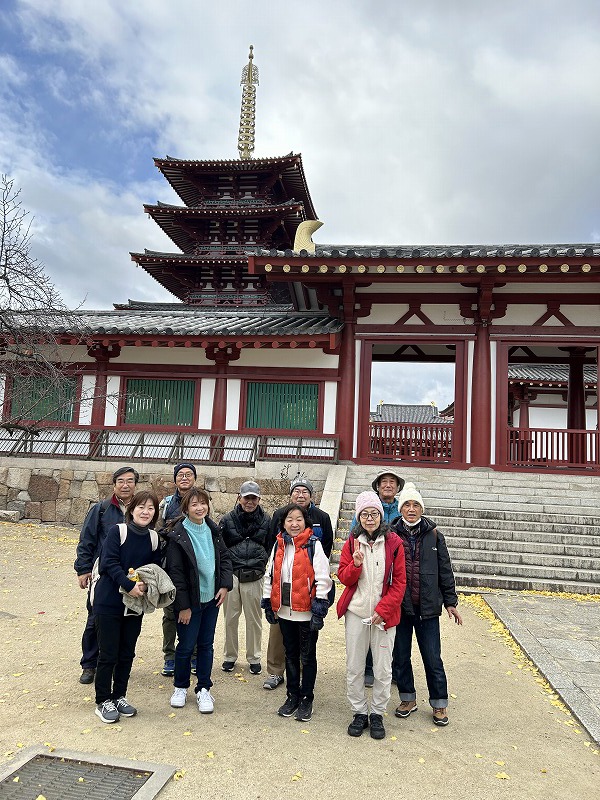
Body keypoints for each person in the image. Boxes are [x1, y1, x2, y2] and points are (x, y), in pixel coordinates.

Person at [391, 482, 462, 727]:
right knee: (401, 656)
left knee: (432, 657)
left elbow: (445, 569)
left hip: (428, 607)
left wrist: (450, 601)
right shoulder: (391, 535)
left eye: (416, 505)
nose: (411, 509)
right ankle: (407, 698)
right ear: (401, 509)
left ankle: (439, 703)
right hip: (401, 607)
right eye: (407, 505)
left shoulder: (434, 535)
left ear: (422, 509)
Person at [337, 491, 406, 740]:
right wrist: (355, 564)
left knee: (383, 668)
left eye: (374, 513)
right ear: (358, 517)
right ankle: (359, 711)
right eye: (364, 514)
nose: (369, 518)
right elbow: (343, 578)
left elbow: (400, 583)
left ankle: (377, 713)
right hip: (356, 612)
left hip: (384, 616)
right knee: (355, 666)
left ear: (381, 516)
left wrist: (382, 610)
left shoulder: (394, 543)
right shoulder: (352, 543)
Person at [92, 489, 162, 723]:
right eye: (141, 507)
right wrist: (128, 585)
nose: (145, 512)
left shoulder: (154, 538)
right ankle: (103, 700)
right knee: (108, 653)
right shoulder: (118, 531)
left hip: (134, 604)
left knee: (127, 652)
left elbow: (153, 569)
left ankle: (119, 695)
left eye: (150, 508)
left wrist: (145, 586)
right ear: (132, 510)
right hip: (109, 601)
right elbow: (109, 562)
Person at [262, 503, 332, 722]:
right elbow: (270, 574)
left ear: (305, 522)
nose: (294, 524)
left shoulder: (313, 545)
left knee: (307, 657)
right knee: (290, 655)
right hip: (284, 611)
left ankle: (307, 698)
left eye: (299, 519)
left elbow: (323, 578)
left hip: (306, 612)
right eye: (290, 519)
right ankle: (292, 696)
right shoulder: (278, 544)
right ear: (283, 523)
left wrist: (319, 609)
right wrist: (268, 602)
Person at [165, 487, 233, 714]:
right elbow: (176, 574)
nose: (199, 508)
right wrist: (183, 606)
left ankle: (204, 687)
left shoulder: (213, 530)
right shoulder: (178, 534)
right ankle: (180, 687)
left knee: (206, 645)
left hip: (212, 599)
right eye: (194, 504)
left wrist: (224, 585)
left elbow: (225, 558)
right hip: (190, 602)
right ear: (186, 508)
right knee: (185, 646)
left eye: (203, 503)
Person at [74, 466, 139, 684]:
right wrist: (83, 569)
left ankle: (114, 661)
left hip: (130, 574)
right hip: (102, 573)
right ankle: (89, 664)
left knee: (125, 617)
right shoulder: (101, 509)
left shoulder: (140, 509)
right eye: (121, 481)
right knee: (95, 618)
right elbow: (87, 540)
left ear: (135, 485)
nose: (125, 485)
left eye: (130, 481)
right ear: (114, 485)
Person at [350, 469, 405, 688]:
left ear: (398, 487)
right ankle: (368, 669)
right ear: (378, 486)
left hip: (395, 574)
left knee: (391, 628)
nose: (388, 485)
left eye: (392, 482)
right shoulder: (366, 509)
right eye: (384, 482)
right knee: (368, 622)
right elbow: (354, 540)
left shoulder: (402, 509)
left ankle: (391, 670)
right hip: (368, 576)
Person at [219, 480, 271, 675]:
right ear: (239, 498)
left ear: (259, 499)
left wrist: (261, 562)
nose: (250, 502)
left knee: (254, 619)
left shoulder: (267, 520)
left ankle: (254, 657)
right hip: (232, 574)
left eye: (253, 498)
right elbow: (221, 546)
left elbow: (270, 545)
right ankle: (230, 656)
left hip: (255, 575)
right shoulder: (227, 519)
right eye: (246, 497)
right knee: (230, 619)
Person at [158, 462, 197, 678]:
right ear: (175, 480)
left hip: (194, 563)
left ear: (194, 479)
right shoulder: (165, 504)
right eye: (180, 474)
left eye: (188, 474)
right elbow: (158, 531)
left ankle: (193, 654)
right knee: (170, 613)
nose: (184, 478)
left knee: (196, 609)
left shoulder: (201, 500)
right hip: (171, 564)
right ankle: (170, 655)